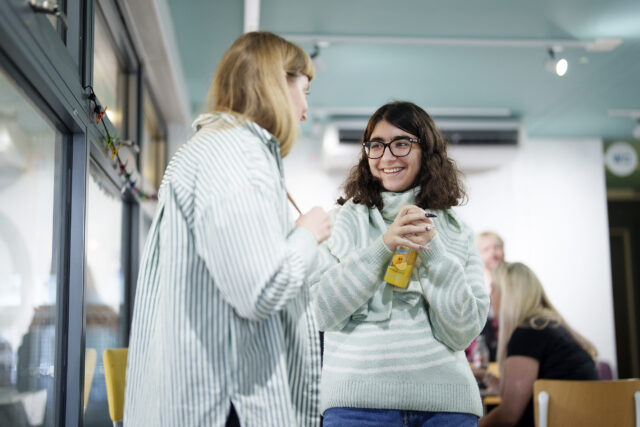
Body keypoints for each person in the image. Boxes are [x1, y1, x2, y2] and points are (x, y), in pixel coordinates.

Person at [124, 32, 331, 427]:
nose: (305, 110)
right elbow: (260, 290)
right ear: (275, 83)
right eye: (303, 91)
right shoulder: (234, 152)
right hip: (225, 403)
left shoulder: (215, 148)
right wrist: (308, 233)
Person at [310, 101, 490, 426]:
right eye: (376, 145)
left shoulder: (457, 232)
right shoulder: (338, 224)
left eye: (402, 143)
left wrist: (432, 251)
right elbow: (321, 312)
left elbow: (463, 332)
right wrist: (384, 247)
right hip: (356, 406)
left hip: (446, 407)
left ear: (426, 150)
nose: (387, 156)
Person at [479, 262, 598, 427]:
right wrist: (484, 375)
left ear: (509, 295)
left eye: (493, 289)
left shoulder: (528, 333)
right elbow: (519, 394)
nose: (489, 297)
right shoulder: (550, 328)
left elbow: (509, 414)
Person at [466, 231, 504, 366]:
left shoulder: (514, 282)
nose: (493, 253)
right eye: (486, 249)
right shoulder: (470, 282)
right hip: (478, 353)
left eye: (497, 247)